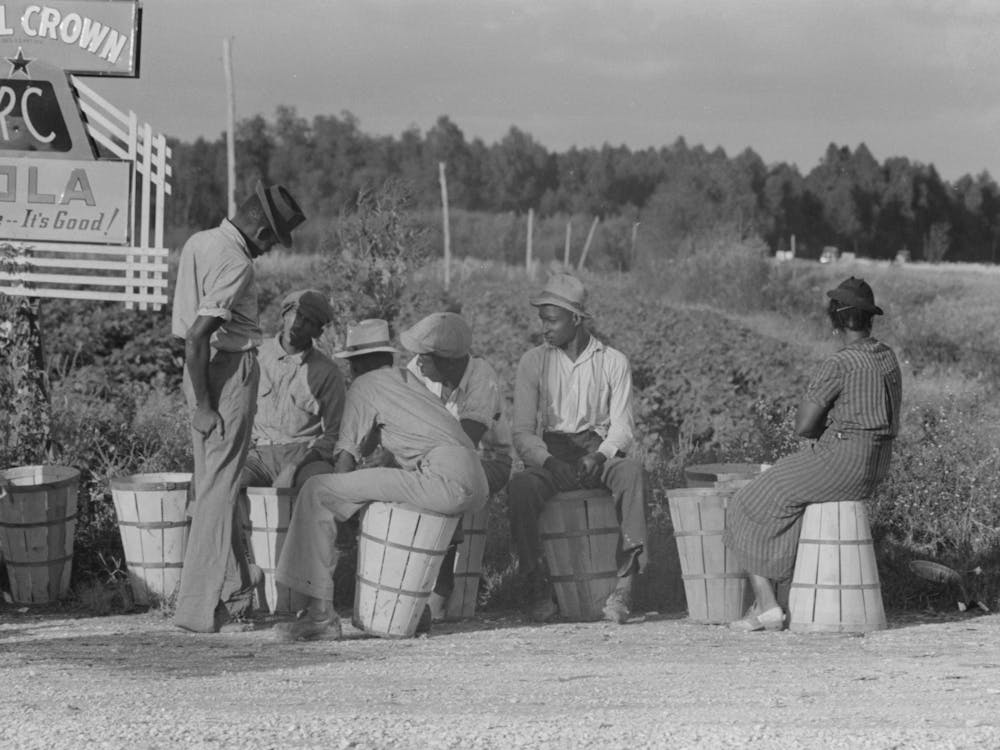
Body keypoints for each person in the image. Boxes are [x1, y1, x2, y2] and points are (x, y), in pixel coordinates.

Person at [272, 319, 489, 641]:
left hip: (443, 478)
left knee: (318, 491)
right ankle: (416, 610)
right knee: (397, 508)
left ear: (358, 363)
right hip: (473, 476)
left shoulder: (364, 386)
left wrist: (341, 515)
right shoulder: (406, 380)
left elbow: (344, 459)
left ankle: (320, 614)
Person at [723, 276, 902, 632]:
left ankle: (767, 603)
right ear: (868, 318)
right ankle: (783, 594)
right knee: (792, 499)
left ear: (836, 317)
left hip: (841, 462)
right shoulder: (887, 357)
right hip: (876, 465)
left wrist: (826, 428)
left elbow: (803, 426)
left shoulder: (841, 363)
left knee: (749, 501)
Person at [170, 181, 305, 633]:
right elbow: (197, 334)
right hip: (226, 373)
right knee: (218, 492)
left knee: (213, 484)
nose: (268, 250)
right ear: (262, 229)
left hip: (198, 373)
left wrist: (197, 395)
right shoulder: (237, 263)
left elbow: (187, 337)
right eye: (271, 240)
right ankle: (204, 607)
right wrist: (208, 405)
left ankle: (233, 597)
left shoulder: (199, 241)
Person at [508, 273, 649, 625]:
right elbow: (524, 431)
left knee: (631, 474)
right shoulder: (534, 362)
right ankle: (536, 586)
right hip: (552, 453)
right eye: (542, 319)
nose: (545, 328)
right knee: (521, 488)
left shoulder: (612, 361)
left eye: (552, 320)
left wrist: (600, 455)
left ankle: (624, 587)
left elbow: (622, 427)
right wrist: (549, 460)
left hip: (597, 453)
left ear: (576, 318)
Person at [399, 311, 514, 619]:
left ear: (448, 361)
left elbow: (466, 440)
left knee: (450, 482)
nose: (419, 362)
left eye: (426, 357)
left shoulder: (481, 376)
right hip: (433, 459)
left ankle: (441, 588)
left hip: (488, 461)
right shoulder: (417, 371)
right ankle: (406, 584)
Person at [240, 289, 344, 489]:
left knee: (318, 483)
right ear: (285, 315)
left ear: (318, 332)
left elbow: (335, 433)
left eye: (309, 322)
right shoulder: (256, 355)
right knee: (229, 484)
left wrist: (296, 465)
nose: (298, 324)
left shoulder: (327, 372)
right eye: (296, 315)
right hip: (257, 455)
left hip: (304, 455)